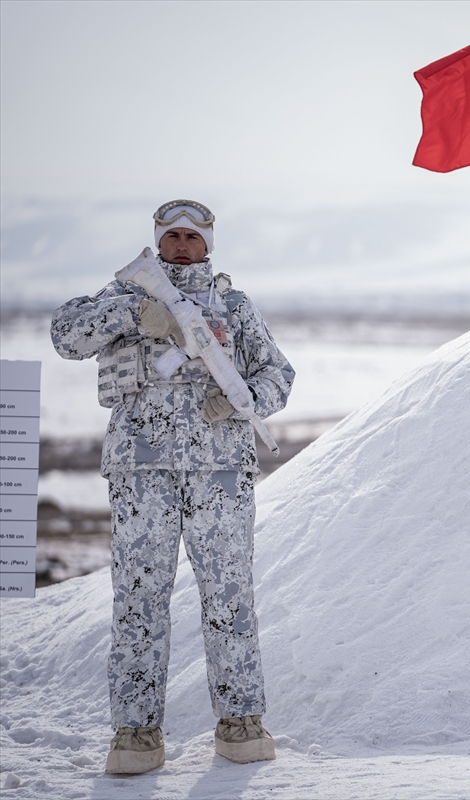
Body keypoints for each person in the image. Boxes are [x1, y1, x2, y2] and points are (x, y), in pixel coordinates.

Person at [51, 200, 295, 774]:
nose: (182, 246)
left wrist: (241, 402)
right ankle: (135, 732)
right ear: (157, 241)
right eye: (172, 236)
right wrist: (136, 315)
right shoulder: (126, 294)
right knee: (139, 598)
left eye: (192, 236)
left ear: (208, 244)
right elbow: (66, 335)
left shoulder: (234, 306)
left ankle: (241, 721)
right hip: (141, 471)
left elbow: (278, 373)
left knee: (229, 596)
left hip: (220, 472)